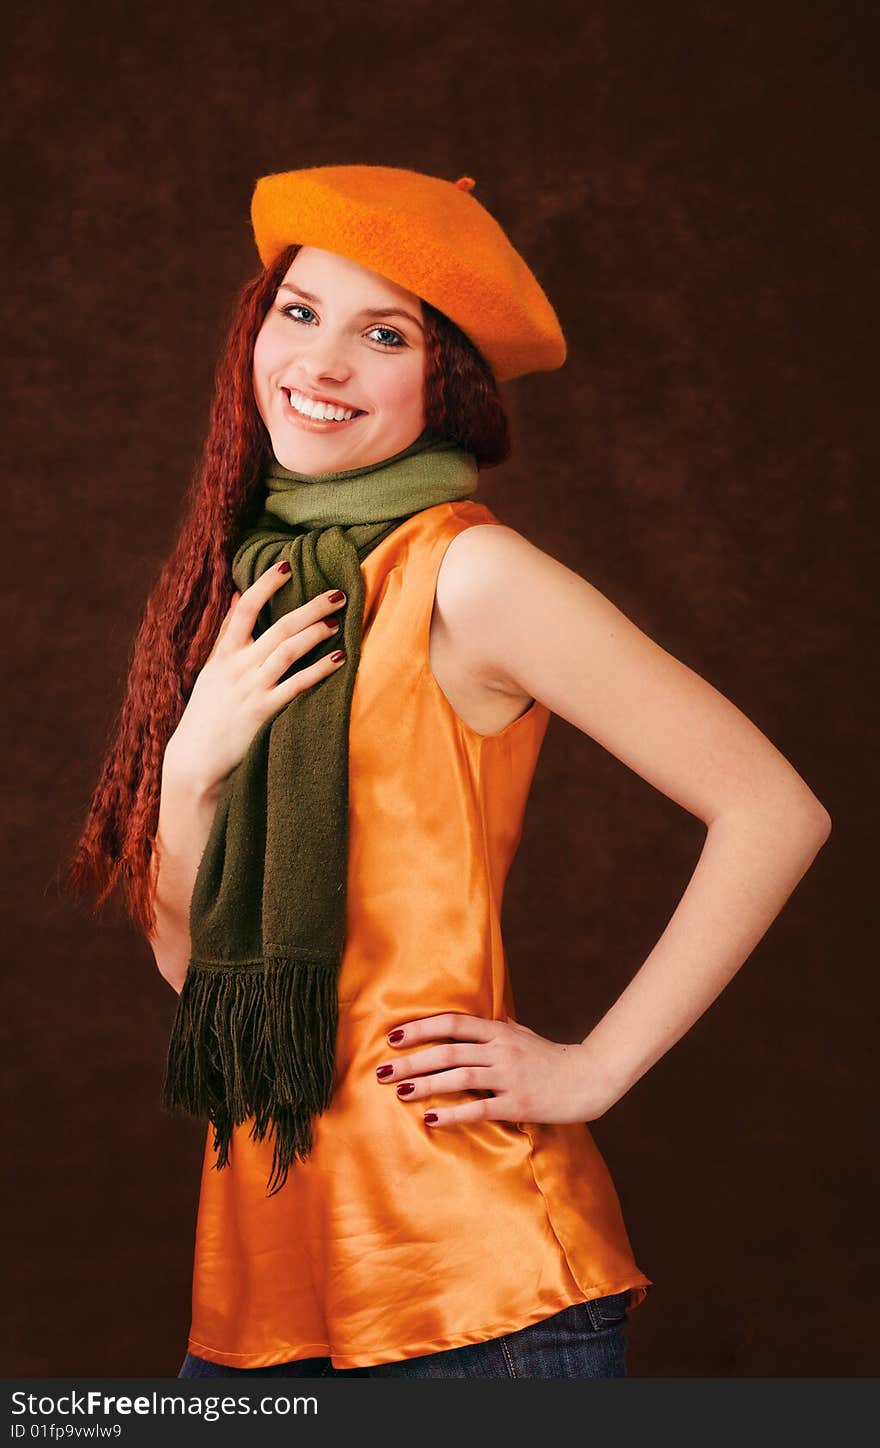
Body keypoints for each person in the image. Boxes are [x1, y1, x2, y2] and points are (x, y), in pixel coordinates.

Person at [65, 165, 831, 1380]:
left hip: (477, 1284)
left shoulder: (472, 577)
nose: (320, 363)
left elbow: (772, 807)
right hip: (268, 1276)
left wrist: (591, 1066)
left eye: (383, 333)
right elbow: (188, 969)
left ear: (444, 379)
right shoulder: (263, 579)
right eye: (299, 311)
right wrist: (198, 768)